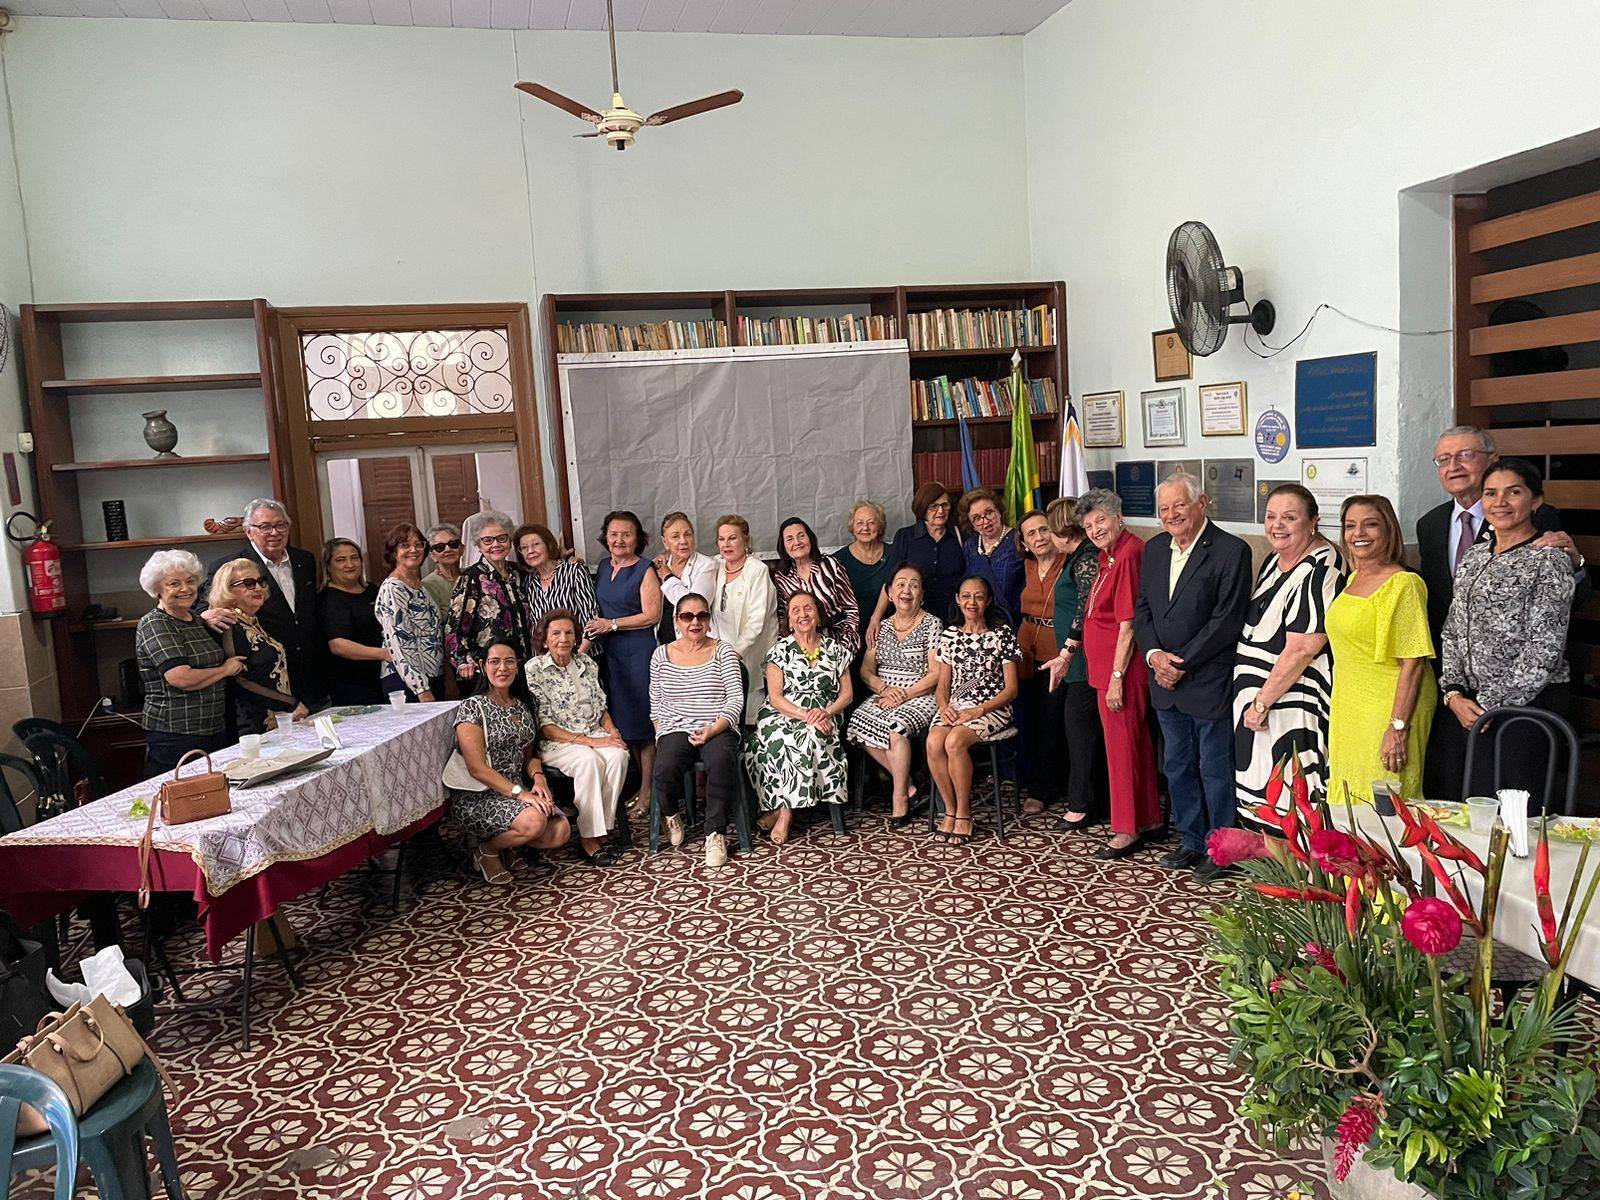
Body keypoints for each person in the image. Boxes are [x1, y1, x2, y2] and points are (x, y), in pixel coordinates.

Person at [1417, 425, 1588, 799]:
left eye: (1514, 492)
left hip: (1522, 708)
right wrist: (1453, 693)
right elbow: (1452, 627)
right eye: (1491, 493)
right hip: (1466, 705)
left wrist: (1487, 705)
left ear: (1535, 501)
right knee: (1465, 805)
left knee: (1514, 812)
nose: (1500, 501)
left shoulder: (1548, 554)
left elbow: (1544, 648)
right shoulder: (1471, 552)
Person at [1133, 473, 1252, 878]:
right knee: (1177, 765)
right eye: (1164, 509)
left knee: (1214, 769)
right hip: (1163, 682)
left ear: (1202, 504)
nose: (1171, 515)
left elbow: (1226, 620)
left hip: (1206, 681)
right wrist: (1154, 656)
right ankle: (1192, 840)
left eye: (1179, 505)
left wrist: (1179, 664)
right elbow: (1143, 609)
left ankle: (1222, 849)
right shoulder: (1154, 550)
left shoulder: (1231, 550)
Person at [1232, 485, 1345, 809]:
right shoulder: (1274, 559)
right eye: (1271, 517)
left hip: (1294, 705)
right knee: (1264, 796)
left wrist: (1260, 703)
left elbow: (1303, 648)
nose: (1277, 525)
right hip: (1263, 705)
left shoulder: (1322, 568)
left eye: (1290, 517)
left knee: (1294, 799)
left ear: (1313, 522)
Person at [1325, 496, 1435, 805]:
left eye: (1370, 524)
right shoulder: (1353, 578)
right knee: (1350, 797)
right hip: (1350, 706)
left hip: (1390, 708)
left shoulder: (1404, 584)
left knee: (1386, 802)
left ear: (1388, 530)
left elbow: (1413, 661)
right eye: (1350, 526)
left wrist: (1397, 728)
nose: (1358, 533)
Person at [1076, 489, 1161, 860]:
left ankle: (1127, 829)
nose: (1095, 529)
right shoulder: (1107, 555)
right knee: (1132, 746)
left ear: (1119, 517)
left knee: (1122, 751)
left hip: (1122, 671)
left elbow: (1128, 624)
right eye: (1088, 525)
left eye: (1101, 520)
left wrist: (1115, 677)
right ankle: (1148, 819)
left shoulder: (1128, 554)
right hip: (1106, 669)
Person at [447, 639, 570, 884]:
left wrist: (539, 779)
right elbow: (477, 769)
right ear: (482, 666)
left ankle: (508, 845)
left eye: (509, 661)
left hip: (516, 792)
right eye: (494, 662)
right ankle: (487, 850)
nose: (502, 668)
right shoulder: (472, 707)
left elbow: (529, 755)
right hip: (479, 796)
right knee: (535, 822)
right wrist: (521, 794)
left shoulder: (522, 705)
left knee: (560, 831)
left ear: (517, 666)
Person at [746, 592, 854, 844]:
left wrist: (825, 712)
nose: (802, 614)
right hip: (784, 711)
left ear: (819, 616)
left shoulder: (836, 650)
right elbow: (775, 697)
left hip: (826, 712)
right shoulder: (779, 650)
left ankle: (781, 812)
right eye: (795, 610)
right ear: (789, 620)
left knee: (808, 735)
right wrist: (805, 714)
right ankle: (785, 813)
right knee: (779, 737)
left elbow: (847, 694)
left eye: (808, 608)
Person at [649, 593, 746, 867]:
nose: (695, 622)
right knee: (665, 765)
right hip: (676, 727)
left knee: (721, 759)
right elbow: (656, 703)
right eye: (687, 616)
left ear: (709, 619)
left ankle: (715, 833)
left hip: (718, 724)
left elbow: (735, 699)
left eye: (702, 615)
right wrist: (661, 733)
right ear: (676, 620)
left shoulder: (723, 651)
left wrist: (714, 728)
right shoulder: (660, 655)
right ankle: (671, 815)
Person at [525, 610, 629, 865]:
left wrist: (612, 732)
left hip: (593, 732)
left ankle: (601, 829)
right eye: (555, 634)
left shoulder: (586, 664)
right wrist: (594, 742)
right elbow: (544, 726)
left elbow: (601, 708)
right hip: (557, 741)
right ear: (544, 640)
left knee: (618, 755)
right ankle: (589, 839)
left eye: (569, 633)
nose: (563, 639)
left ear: (576, 638)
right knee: (588, 761)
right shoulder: (534, 669)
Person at [926, 574, 1021, 844]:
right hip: (956, 706)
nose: (972, 602)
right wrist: (944, 707)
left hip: (992, 708)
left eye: (979, 597)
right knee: (933, 742)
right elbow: (943, 686)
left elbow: (1011, 689)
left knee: (954, 741)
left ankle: (965, 813)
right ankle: (950, 809)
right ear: (958, 599)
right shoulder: (949, 635)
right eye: (966, 596)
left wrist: (979, 710)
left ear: (988, 601)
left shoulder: (1002, 634)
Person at [846, 563, 942, 826]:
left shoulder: (932, 624)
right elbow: (866, 671)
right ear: (889, 593)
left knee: (894, 729)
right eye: (900, 584)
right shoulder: (882, 627)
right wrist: (885, 689)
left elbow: (936, 674)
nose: (906, 591)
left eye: (914, 585)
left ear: (922, 593)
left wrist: (904, 694)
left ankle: (899, 796)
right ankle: (910, 785)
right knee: (856, 723)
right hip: (885, 693)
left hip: (920, 694)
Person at [135, 549, 244, 777]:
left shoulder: (195, 619)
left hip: (212, 728)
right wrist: (225, 670)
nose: (185, 589)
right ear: (157, 589)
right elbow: (180, 677)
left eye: (190, 581)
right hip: (175, 734)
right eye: (174, 583)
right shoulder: (155, 623)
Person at [203, 498, 323, 705]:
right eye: (265, 527)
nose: (274, 532)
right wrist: (205, 616)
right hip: (264, 684)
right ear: (248, 531)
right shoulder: (228, 566)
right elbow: (205, 610)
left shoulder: (305, 560)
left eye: (280, 525)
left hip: (311, 677)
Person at [587, 510, 663, 816]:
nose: (619, 540)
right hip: (611, 654)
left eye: (627, 534)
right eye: (614, 534)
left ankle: (648, 791)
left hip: (638, 651)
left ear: (637, 539)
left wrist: (613, 624)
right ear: (606, 537)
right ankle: (642, 785)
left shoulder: (645, 569)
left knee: (643, 722)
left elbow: (652, 615)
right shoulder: (604, 566)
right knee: (624, 721)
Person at [1042, 497, 1107, 832]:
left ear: (1060, 530)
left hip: (1083, 662)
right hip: (1076, 662)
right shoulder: (1077, 557)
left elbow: (1085, 610)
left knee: (1080, 734)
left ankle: (1081, 806)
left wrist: (1067, 652)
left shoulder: (1085, 559)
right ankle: (1089, 801)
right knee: (1078, 732)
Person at [210, 558, 309, 735]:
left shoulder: (252, 620)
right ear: (227, 589)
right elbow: (241, 680)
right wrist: (290, 704)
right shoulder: (229, 623)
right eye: (248, 583)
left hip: (275, 716)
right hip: (251, 723)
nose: (258, 588)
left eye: (260, 582)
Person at [1015, 510, 1068, 814]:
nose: (1039, 537)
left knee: (1051, 718)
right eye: (1031, 534)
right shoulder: (1026, 566)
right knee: (1029, 716)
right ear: (1024, 542)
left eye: (1043, 530)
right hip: (1025, 648)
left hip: (1057, 650)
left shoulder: (1068, 563)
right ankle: (1029, 776)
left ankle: (1042, 787)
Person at [708, 514, 778, 723]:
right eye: (721, 539)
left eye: (732, 538)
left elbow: (757, 620)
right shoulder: (715, 565)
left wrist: (735, 653)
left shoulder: (757, 570)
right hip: (720, 652)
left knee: (750, 717)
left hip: (749, 652)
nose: (726, 544)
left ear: (745, 540)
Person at [446, 511, 530, 679]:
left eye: (501, 538)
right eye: (488, 540)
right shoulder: (471, 578)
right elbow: (454, 629)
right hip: (488, 671)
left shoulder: (519, 573)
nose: (496, 544)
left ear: (509, 541)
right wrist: (464, 662)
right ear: (479, 545)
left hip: (522, 666)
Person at [375, 523, 444, 703]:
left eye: (418, 544)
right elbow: (398, 643)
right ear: (393, 552)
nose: (413, 550)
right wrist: (421, 689)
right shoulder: (393, 588)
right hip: (407, 683)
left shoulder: (418, 584)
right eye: (405, 545)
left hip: (430, 676)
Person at [772, 517, 860, 653]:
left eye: (801, 536)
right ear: (783, 546)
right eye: (789, 539)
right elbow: (783, 618)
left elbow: (852, 610)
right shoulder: (782, 577)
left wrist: (842, 648)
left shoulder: (830, 565)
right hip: (802, 647)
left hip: (839, 641)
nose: (797, 542)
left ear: (810, 539)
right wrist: (787, 651)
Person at [318, 538, 388, 705]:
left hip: (384, 677)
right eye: (341, 560)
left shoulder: (373, 590)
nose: (349, 564)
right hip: (352, 686)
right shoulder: (327, 599)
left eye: (354, 558)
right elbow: (338, 645)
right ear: (328, 566)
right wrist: (384, 654)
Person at [884, 482, 965, 624]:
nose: (940, 511)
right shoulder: (905, 536)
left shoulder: (960, 537)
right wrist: (875, 617)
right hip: (914, 619)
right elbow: (891, 582)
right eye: (934, 506)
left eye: (945, 505)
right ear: (923, 508)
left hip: (954, 618)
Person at [515, 522, 599, 656]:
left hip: (581, 655)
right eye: (524, 547)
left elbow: (591, 619)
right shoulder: (529, 582)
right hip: (546, 661)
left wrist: (576, 657)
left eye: (536, 544)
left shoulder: (574, 570)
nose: (530, 551)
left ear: (548, 544)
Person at [961, 487, 1023, 626]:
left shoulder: (1018, 541)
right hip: (979, 625)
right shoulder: (970, 546)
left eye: (989, 512)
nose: (985, 521)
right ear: (971, 524)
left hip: (1014, 623)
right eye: (977, 518)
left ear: (999, 512)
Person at [653, 512, 719, 643]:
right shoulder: (659, 564)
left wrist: (667, 577)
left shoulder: (707, 565)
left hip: (696, 642)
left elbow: (693, 606)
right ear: (665, 541)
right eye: (675, 536)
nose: (683, 541)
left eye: (687, 534)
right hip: (663, 643)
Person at [832, 501, 891, 635]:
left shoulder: (894, 553)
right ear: (852, 527)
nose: (865, 527)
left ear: (880, 526)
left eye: (871, 522)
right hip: (851, 633)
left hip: (889, 631)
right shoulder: (838, 560)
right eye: (859, 523)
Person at [421, 523, 464, 617]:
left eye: (453, 544)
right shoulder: (427, 585)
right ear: (432, 555)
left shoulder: (471, 576)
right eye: (440, 547)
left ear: (462, 549)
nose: (448, 549)